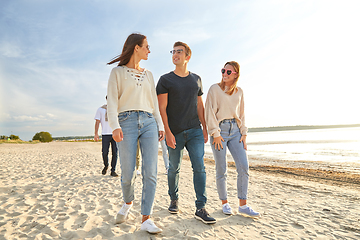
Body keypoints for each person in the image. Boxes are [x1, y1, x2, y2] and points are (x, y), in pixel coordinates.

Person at [106, 33, 165, 233]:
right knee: (127, 173)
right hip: (126, 122)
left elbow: (154, 104)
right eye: (147, 46)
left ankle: (146, 217)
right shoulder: (117, 72)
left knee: (151, 172)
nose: (149, 50)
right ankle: (128, 202)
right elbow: (112, 101)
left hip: (149, 122)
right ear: (136, 48)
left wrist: (161, 126)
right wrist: (114, 126)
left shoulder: (149, 74)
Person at [156, 41, 216, 224]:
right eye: (173, 52)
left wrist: (205, 128)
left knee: (199, 167)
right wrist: (167, 131)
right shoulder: (165, 80)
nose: (175, 54)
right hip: (175, 132)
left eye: (179, 52)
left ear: (187, 56)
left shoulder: (196, 79)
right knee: (174, 168)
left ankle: (201, 207)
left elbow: (200, 105)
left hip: (195, 130)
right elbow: (162, 108)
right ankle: (174, 199)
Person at [204, 61, 260, 218]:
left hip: (236, 131)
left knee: (244, 167)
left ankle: (243, 205)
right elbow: (209, 111)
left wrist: (244, 133)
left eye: (229, 72)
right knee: (221, 169)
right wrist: (215, 133)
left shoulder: (239, 92)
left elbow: (241, 114)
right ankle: (225, 203)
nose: (224, 73)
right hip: (219, 131)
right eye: (223, 70)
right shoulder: (215, 89)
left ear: (236, 74)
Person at [94, 98, 118, 177]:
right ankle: (106, 165)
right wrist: (96, 133)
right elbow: (97, 122)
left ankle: (113, 170)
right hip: (105, 134)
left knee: (115, 153)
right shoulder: (100, 109)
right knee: (104, 152)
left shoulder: (117, 109)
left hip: (115, 133)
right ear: (107, 99)